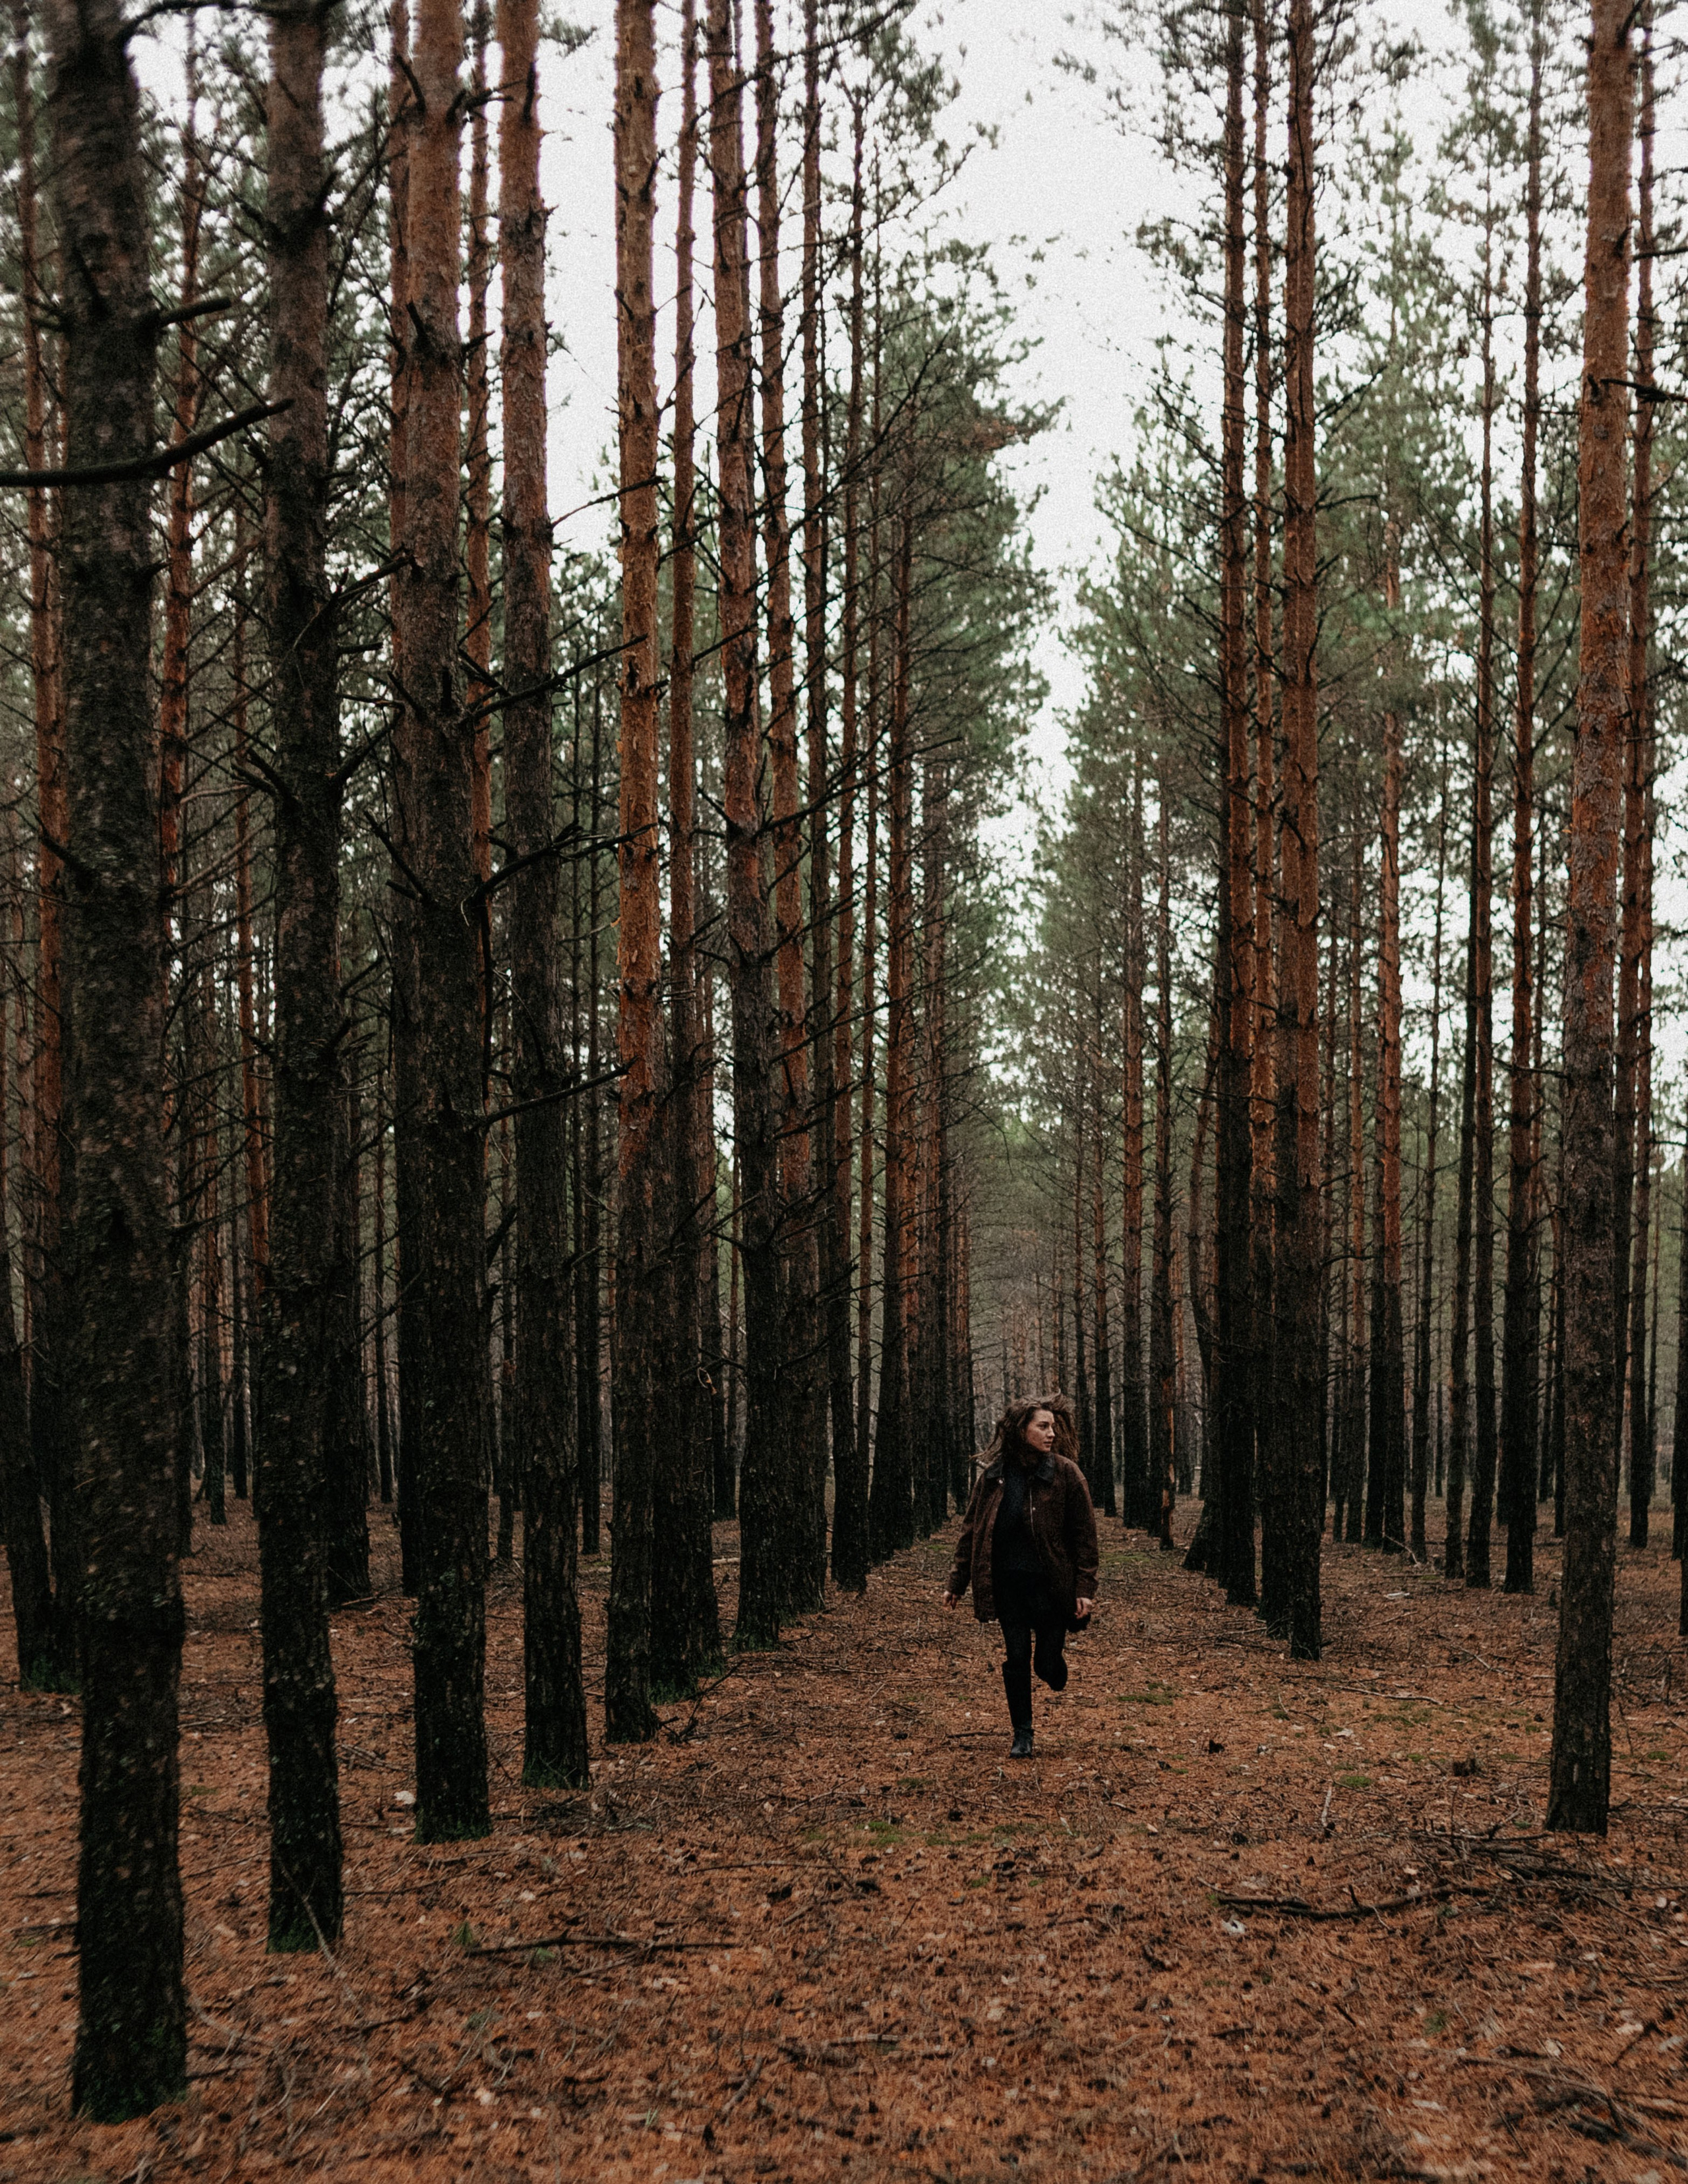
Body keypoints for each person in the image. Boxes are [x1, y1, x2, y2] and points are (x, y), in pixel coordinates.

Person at [943, 1396, 1100, 1758]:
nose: (1051, 1433)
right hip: (1007, 1585)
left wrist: (1085, 1588)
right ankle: (1023, 1735)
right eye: (1042, 1426)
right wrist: (957, 1581)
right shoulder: (994, 1477)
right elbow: (972, 1531)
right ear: (1021, 1431)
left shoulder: (1066, 1474)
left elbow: (1085, 1538)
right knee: (1016, 1658)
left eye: (1053, 1426)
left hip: (1051, 1588)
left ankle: (1052, 1665)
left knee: (1045, 1664)